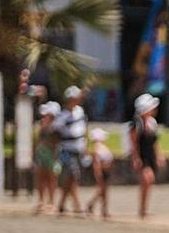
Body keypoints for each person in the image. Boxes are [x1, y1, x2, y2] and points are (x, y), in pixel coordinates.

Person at [53, 85, 88, 215]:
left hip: (78, 149)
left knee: (72, 177)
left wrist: (85, 146)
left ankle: (62, 203)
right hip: (67, 150)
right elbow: (55, 131)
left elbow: (84, 129)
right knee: (73, 175)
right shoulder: (63, 116)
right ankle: (77, 205)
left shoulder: (80, 111)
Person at [129, 93, 164, 219]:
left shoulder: (152, 123)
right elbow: (133, 143)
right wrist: (135, 158)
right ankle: (142, 210)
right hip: (142, 156)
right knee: (147, 179)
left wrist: (159, 155)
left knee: (149, 181)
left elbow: (155, 142)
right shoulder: (136, 124)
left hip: (150, 156)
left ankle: (144, 208)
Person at [33, 101, 61, 214]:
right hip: (42, 153)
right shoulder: (43, 125)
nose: (44, 116)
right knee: (40, 176)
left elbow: (55, 141)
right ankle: (41, 201)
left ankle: (51, 202)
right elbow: (38, 139)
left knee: (52, 178)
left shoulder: (57, 126)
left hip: (53, 154)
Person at [85, 128, 115, 219]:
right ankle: (97, 207)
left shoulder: (101, 146)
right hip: (102, 172)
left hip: (105, 171)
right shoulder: (97, 147)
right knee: (102, 191)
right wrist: (98, 173)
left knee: (103, 191)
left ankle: (102, 209)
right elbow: (96, 162)